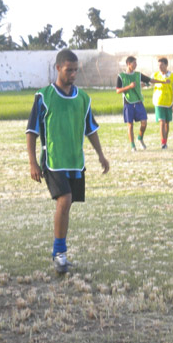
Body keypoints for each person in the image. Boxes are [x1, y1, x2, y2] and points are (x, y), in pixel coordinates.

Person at [26, 49, 110, 274]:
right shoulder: (44, 96)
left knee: (67, 204)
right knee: (65, 199)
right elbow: (31, 131)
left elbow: (90, 129)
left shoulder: (83, 98)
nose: (73, 74)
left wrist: (100, 155)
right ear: (58, 68)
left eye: (75, 70)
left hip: (75, 162)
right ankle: (60, 254)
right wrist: (33, 162)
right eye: (68, 70)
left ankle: (59, 252)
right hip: (53, 160)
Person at [116, 55, 169, 151]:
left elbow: (150, 80)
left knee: (144, 122)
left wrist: (162, 82)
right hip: (128, 103)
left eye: (136, 63)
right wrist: (129, 87)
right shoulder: (121, 76)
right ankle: (133, 146)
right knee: (130, 125)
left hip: (139, 102)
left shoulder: (138, 75)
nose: (135, 65)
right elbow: (118, 91)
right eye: (134, 63)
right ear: (128, 64)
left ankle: (140, 138)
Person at [152, 57, 173, 149]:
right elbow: (147, 82)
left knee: (167, 123)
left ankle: (165, 141)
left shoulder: (172, 76)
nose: (159, 67)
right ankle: (162, 142)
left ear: (166, 65)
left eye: (161, 65)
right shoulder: (155, 75)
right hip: (158, 102)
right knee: (162, 122)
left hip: (168, 103)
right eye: (158, 65)